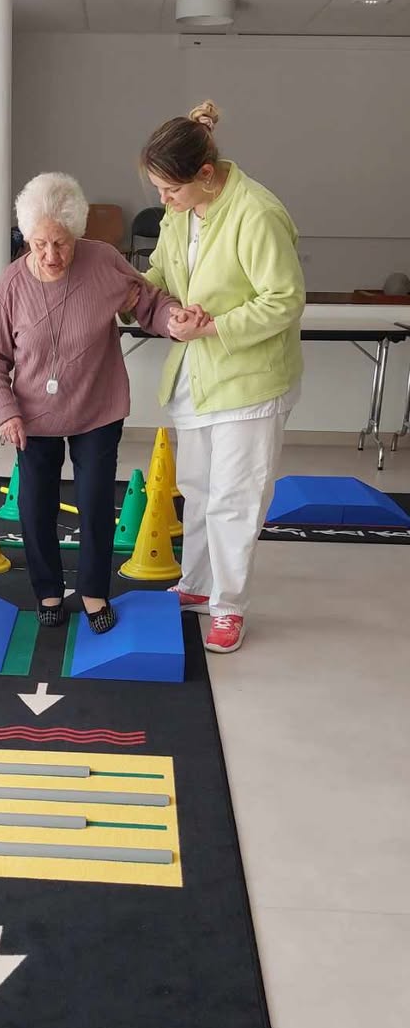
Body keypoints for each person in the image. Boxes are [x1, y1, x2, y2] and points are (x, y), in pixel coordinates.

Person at [0, 172, 179, 632]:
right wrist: (6, 412)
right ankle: (48, 590)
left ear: (77, 233)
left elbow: (148, 303)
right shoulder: (12, 285)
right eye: (40, 245)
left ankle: (93, 592)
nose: (52, 255)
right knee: (35, 506)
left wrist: (174, 319)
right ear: (26, 238)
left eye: (62, 244)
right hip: (33, 416)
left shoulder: (103, 261)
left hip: (97, 408)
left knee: (95, 503)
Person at [140, 101, 305, 653]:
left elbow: (285, 299)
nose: (164, 201)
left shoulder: (257, 213)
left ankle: (228, 606)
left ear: (206, 174)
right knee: (199, 489)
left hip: (250, 382)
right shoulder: (182, 211)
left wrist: (213, 327)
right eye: (159, 190)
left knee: (235, 498)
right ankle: (196, 583)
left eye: (171, 190)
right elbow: (161, 272)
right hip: (198, 375)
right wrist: (157, 306)